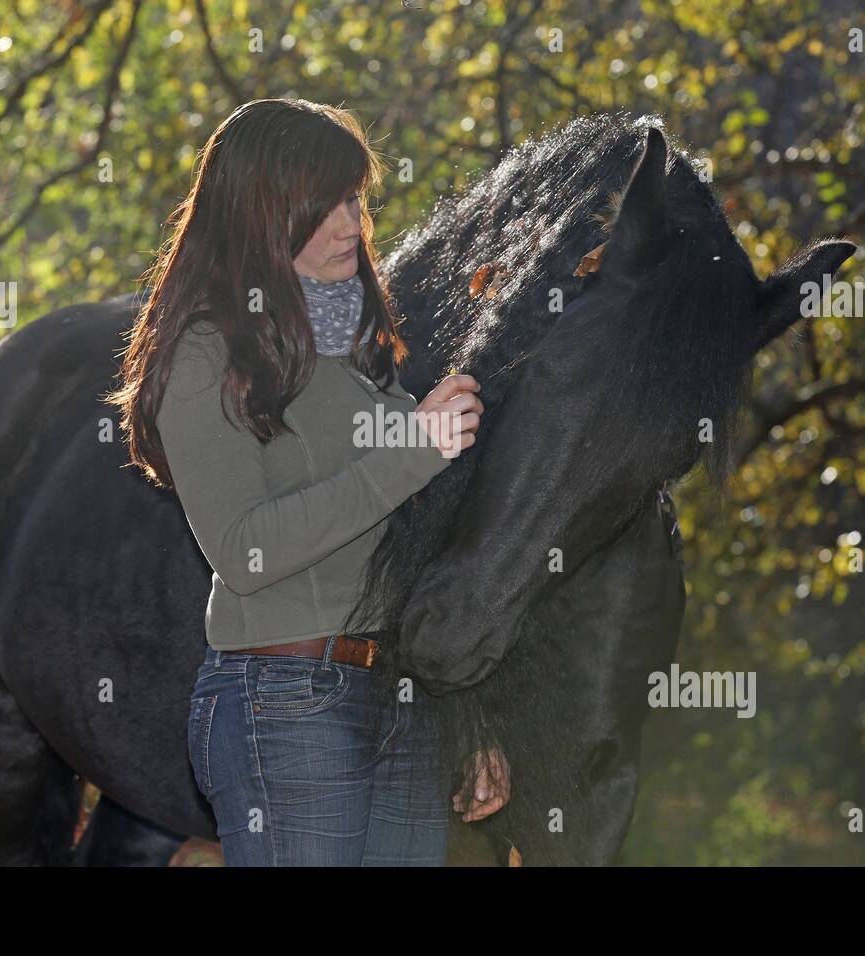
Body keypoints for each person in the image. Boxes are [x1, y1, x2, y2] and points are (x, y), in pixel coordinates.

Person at [110, 98, 508, 865]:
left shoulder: (363, 353)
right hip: (285, 701)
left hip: (406, 699)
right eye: (319, 204)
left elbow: (426, 550)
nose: (347, 223)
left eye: (355, 198)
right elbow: (242, 549)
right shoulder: (207, 352)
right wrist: (412, 451)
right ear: (258, 211)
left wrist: (472, 716)